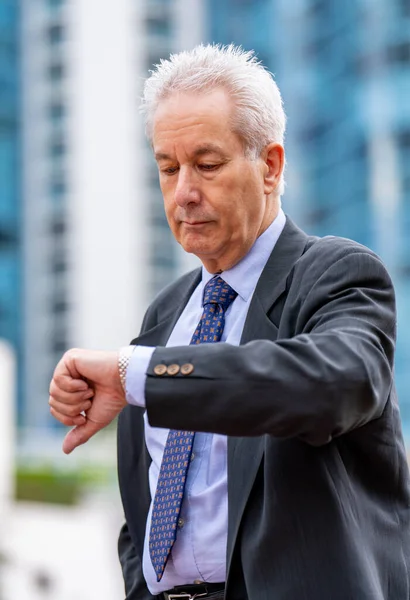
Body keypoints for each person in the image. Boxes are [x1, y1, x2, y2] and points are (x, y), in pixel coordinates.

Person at [49, 44, 410, 600]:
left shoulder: (337, 275)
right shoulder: (164, 318)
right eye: (168, 169)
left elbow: (334, 385)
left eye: (207, 165)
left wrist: (133, 375)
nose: (184, 193)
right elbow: (147, 512)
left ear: (270, 165)